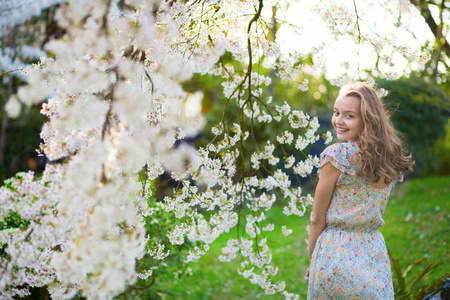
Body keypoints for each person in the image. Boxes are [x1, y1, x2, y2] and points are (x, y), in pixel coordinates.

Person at [306, 82, 414, 299]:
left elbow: (317, 220)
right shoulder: (389, 158)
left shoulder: (338, 156)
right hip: (372, 253)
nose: (338, 121)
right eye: (337, 113)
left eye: (349, 116)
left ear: (368, 120)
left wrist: (313, 260)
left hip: (334, 253)